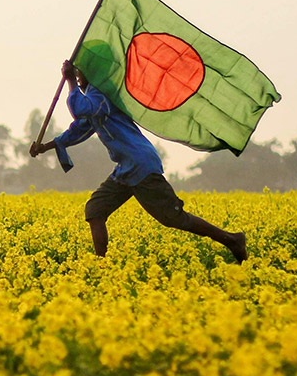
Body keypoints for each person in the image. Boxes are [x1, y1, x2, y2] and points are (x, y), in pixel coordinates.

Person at [29, 60, 247, 262]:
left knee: (174, 218)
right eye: (75, 72)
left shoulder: (101, 94)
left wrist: (68, 81)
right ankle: (100, 266)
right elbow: (78, 130)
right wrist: (45, 147)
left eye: (80, 71)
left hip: (140, 164)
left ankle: (232, 240)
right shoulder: (95, 101)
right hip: (126, 169)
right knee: (95, 209)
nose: (77, 75)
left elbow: (81, 109)